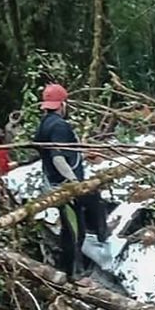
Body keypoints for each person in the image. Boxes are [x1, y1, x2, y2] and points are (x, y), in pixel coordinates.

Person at [33, 83, 108, 278]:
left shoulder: (44, 124)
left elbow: (57, 155)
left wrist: (82, 156)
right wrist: (75, 182)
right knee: (75, 232)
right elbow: (58, 158)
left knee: (76, 223)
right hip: (65, 187)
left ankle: (75, 266)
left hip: (54, 181)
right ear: (62, 104)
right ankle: (74, 275)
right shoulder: (60, 126)